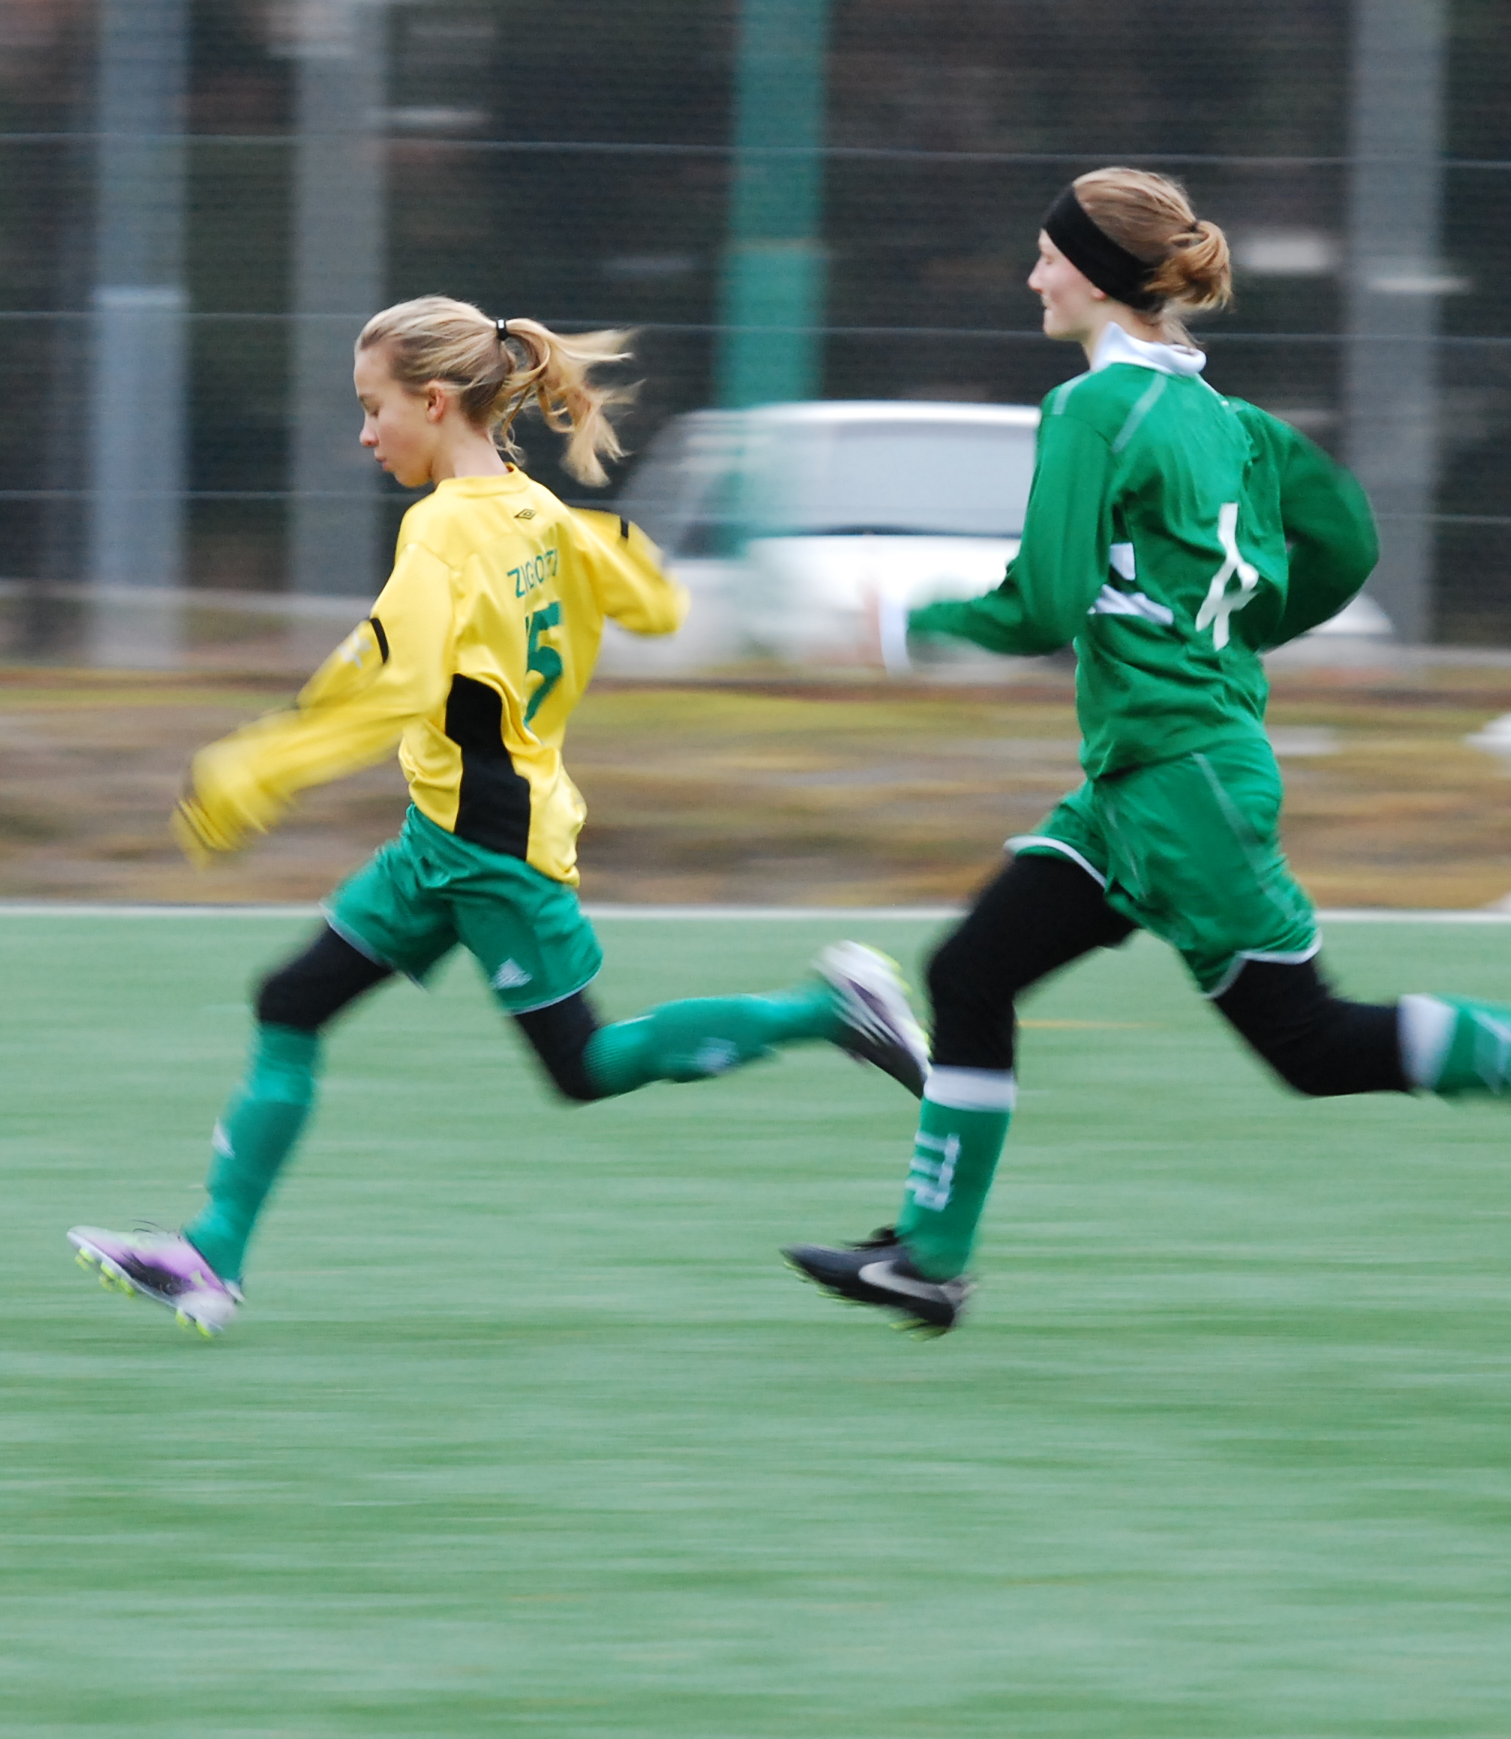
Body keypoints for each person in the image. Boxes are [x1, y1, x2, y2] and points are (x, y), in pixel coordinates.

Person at [782, 169, 1511, 1336]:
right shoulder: (1232, 424)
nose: (1031, 278)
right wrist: (1227, 631)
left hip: (1183, 788)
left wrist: (904, 627)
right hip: (1147, 780)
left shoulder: (1093, 410)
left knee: (1309, 1043)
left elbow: (1042, 604)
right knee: (969, 973)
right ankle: (928, 1262)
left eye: (1048, 258)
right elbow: (1346, 541)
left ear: (1098, 277)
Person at [70, 296, 929, 1337]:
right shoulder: (534, 509)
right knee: (291, 1002)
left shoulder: (444, 529)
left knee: (584, 1065)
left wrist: (260, 766)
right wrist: (602, 558)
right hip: (441, 838)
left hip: (490, 850)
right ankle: (212, 1253)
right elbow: (650, 601)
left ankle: (830, 1009)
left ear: (434, 402)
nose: (365, 433)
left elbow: (397, 680)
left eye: (373, 407)